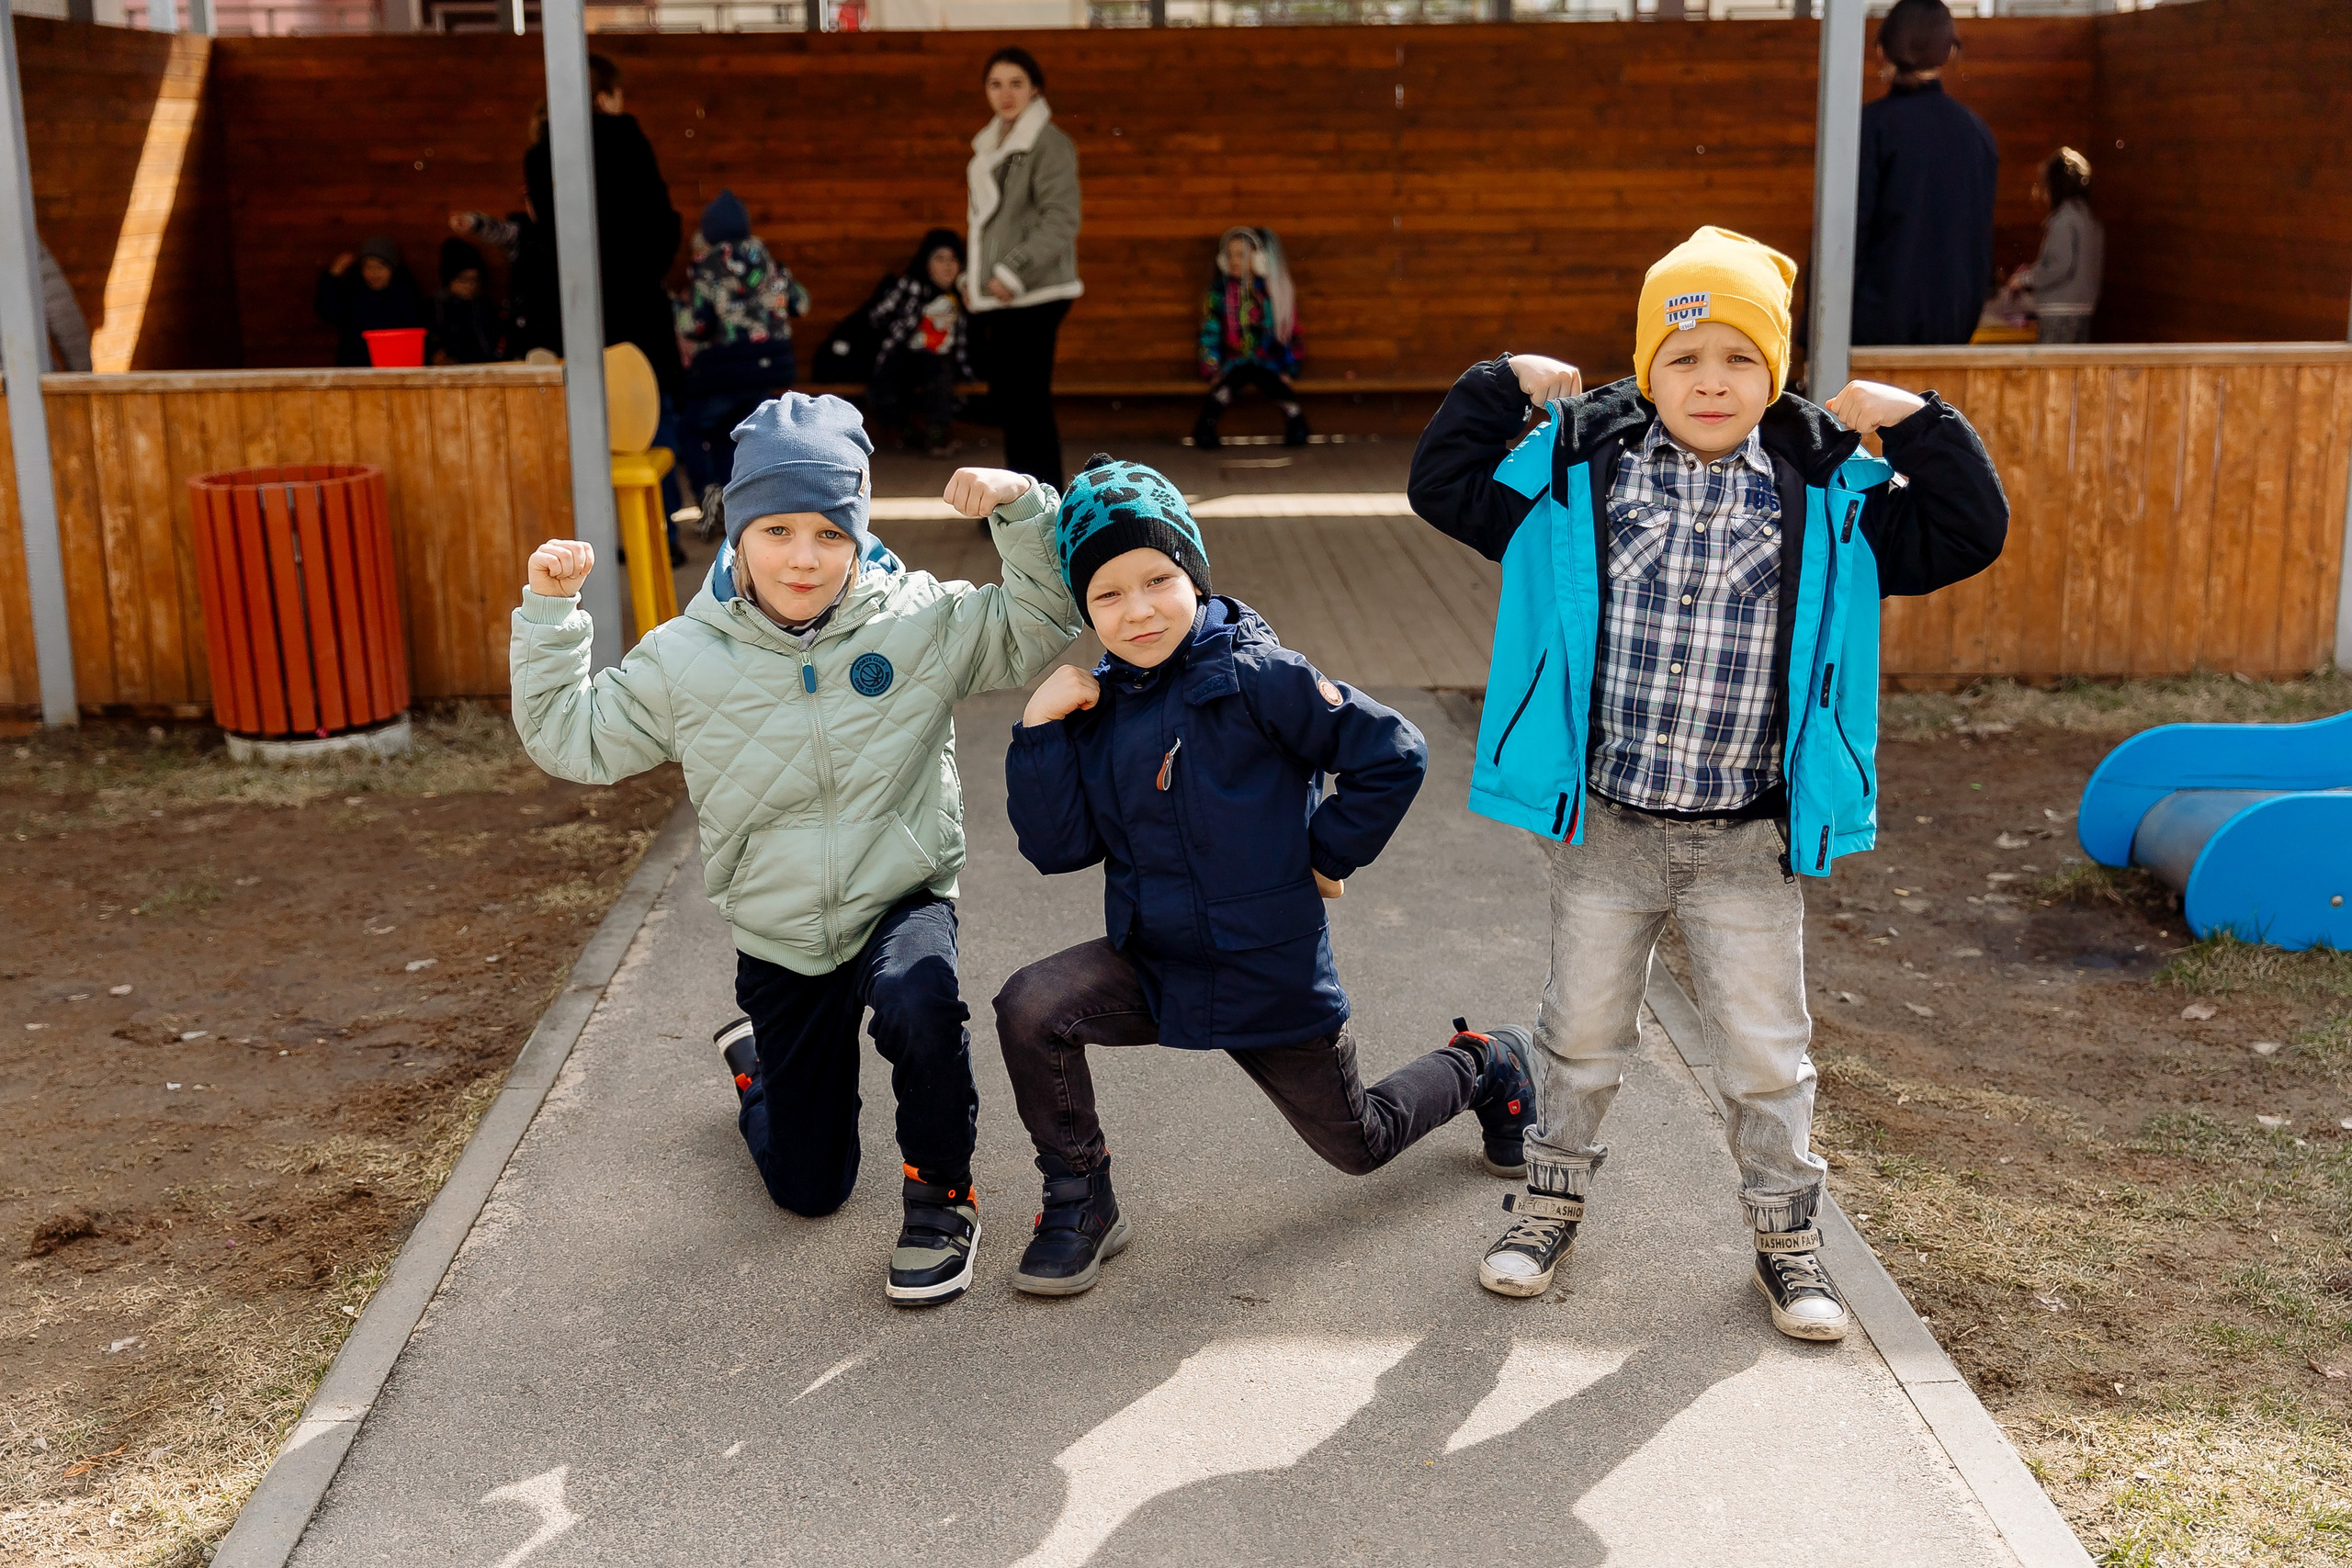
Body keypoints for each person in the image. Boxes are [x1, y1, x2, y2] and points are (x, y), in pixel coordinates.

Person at [1406, 226, 2008, 1337]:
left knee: (1764, 1056)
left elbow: (1968, 531)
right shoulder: (1574, 469)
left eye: (1739, 357)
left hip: (1746, 835)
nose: (1710, 381)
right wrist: (1496, 388)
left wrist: (1920, 420)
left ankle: (1787, 1239)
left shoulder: (1831, 489)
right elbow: (1442, 489)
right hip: (1608, 824)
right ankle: (1546, 1205)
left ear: (1772, 373)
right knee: (1580, 1034)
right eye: (1683, 358)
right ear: (1645, 369)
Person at [512, 394, 1082, 1308]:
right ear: (737, 533)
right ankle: (760, 1072)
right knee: (809, 1189)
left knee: (920, 999)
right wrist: (551, 614)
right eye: (776, 529)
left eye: (829, 531)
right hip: (780, 935)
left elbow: (1038, 622)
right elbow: (573, 739)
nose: (803, 557)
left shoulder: (917, 623)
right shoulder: (683, 659)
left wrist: (1023, 508)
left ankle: (943, 1197)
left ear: (859, 535)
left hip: (901, 892)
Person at [989, 455, 1540, 1297]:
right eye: (1106, 595)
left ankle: (1486, 1063)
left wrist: (1325, 852)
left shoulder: (1258, 677)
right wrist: (1038, 731)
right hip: (1158, 961)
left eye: (1158, 579)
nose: (1137, 610)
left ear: (1195, 574)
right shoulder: (1097, 709)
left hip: (1266, 968)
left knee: (1361, 1144)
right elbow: (1058, 847)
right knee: (1032, 1003)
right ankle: (1081, 1196)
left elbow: (1394, 751)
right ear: (1084, 607)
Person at [524, 56, 684, 394]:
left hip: (573, 305)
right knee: (649, 414)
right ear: (603, 98)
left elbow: (545, 231)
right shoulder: (630, 143)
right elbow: (660, 220)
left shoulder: (541, 155)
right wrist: (650, 269)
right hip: (636, 299)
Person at [966, 46, 1082, 491]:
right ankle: (1020, 501)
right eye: (996, 84)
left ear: (1035, 88)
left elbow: (1060, 220)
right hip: (1002, 295)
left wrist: (1013, 271)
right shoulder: (992, 144)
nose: (1006, 93)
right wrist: (975, 278)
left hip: (1035, 293)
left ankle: (1042, 504)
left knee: (1027, 404)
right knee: (1016, 404)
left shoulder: (1048, 143)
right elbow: (990, 227)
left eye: (1016, 83)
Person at [1852, 0, 1998, 347]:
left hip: (1870, 335)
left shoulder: (1870, 128)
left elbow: (1847, 234)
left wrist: (1812, 334)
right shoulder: (1978, 135)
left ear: (1880, 52)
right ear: (1949, 54)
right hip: (1953, 327)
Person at [673, 189, 809, 508]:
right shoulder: (770, 263)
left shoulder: (708, 267)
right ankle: (738, 505)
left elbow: (694, 325)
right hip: (769, 367)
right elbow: (801, 304)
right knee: (734, 436)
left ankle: (709, 499)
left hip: (725, 369)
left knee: (691, 430)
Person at [1193, 227, 1308, 450]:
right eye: (1230, 255)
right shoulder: (1220, 293)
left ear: (1258, 259)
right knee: (1227, 387)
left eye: (1242, 255)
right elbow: (1211, 332)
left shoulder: (1272, 294)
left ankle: (1297, 422)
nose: (1235, 261)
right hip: (1233, 363)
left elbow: (1289, 333)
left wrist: (1289, 368)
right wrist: (1212, 368)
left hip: (1268, 361)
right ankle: (1205, 427)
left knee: (1276, 386)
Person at [865, 229, 973, 458]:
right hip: (906, 357)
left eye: (953, 259)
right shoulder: (913, 286)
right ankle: (909, 434)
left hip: (946, 362)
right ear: (926, 263)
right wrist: (909, 317)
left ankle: (936, 436)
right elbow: (877, 317)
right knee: (886, 383)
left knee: (939, 372)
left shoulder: (963, 293)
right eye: (939, 258)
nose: (947, 266)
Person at [2002, 148, 2104, 345]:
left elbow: (2058, 265)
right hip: (2084, 309)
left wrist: (2023, 279)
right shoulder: (2090, 220)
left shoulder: (2064, 219)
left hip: (2059, 312)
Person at [314, 237, 430, 367]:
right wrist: (333, 276)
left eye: (380, 267)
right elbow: (329, 311)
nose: (374, 273)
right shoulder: (353, 293)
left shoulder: (407, 295)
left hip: (397, 371)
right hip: (356, 371)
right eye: (368, 267)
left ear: (392, 269)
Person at [431, 236, 507, 366]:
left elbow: (492, 348)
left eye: (474, 280)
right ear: (450, 279)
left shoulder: (484, 307)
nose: (470, 285)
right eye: (463, 279)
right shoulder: (435, 307)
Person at [39, 237, 91, 374]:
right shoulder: (12, 229)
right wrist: (83, 380)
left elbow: (62, 309)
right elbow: (62, 310)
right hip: (23, 381)